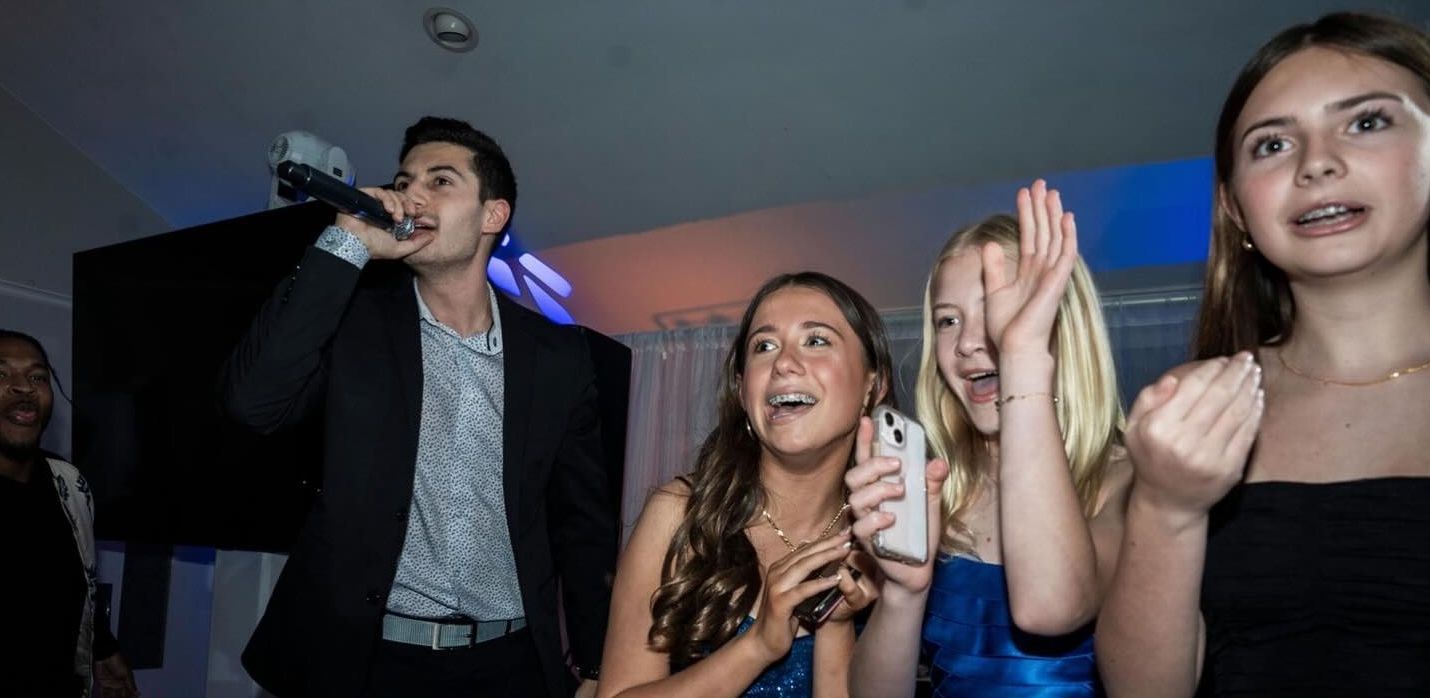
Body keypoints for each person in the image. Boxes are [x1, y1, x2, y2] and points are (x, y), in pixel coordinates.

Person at [221, 117, 617, 697]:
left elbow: (583, 521)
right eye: (405, 180)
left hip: (509, 664)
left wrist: (596, 665)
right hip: (366, 661)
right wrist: (347, 243)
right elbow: (252, 404)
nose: (412, 194)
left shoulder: (558, 354)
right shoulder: (355, 323)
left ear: (492, 216)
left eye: (440, 181)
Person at [1096, 11, 1430, 696]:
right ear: (1236, 211)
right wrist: (1168, 507)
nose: (1318, 164)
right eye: (1272, 145)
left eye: (1366, 123)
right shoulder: (1193, 405)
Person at [846, 183, 1131, 696]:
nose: (970, 342)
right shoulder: (937, 495)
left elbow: (1051, 607)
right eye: (948, 320)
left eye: (1003, 307)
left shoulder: (1128, 481)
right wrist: (904, 593)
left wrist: (1021, 355)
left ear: (1064, 323)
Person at [598, 272, 894, 697]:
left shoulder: (893, 537)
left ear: (873, 384)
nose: (784, 363)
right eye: (764, 346)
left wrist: (836, 626)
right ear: (742, 391)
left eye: (816, 340)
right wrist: (756, 647)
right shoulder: (680, 516)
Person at [0, 329, 139, 698]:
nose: (23, 387)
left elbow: (77, 587)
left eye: (37, 377)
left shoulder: (69, 484)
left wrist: (102, 648)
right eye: (1, 375)